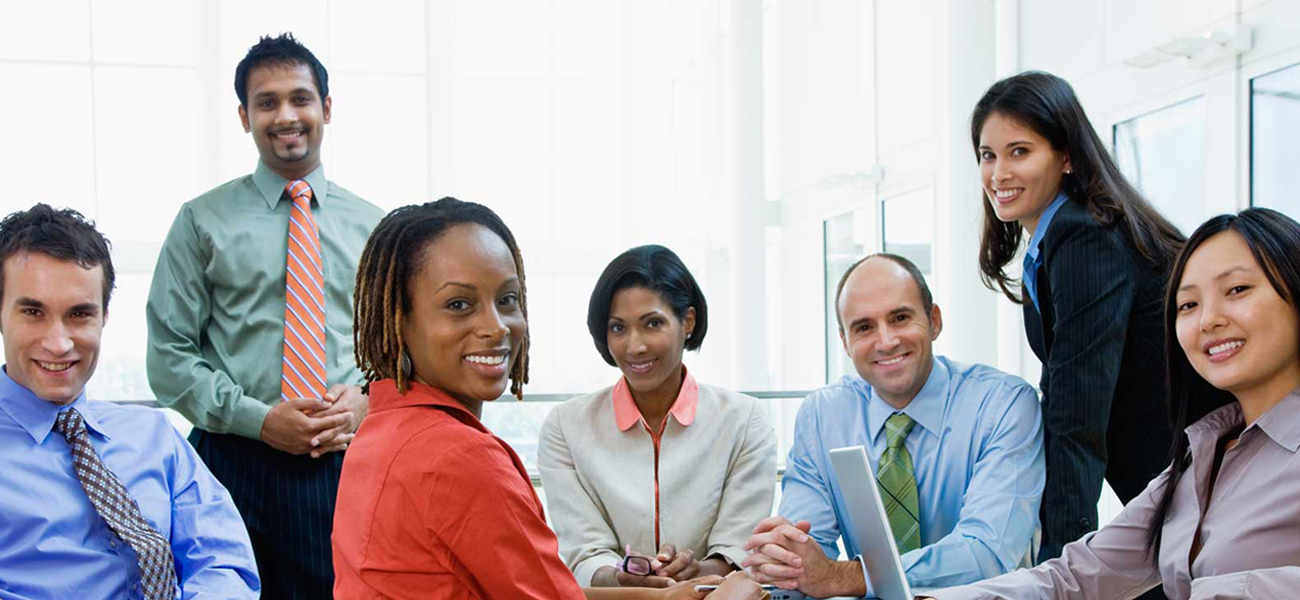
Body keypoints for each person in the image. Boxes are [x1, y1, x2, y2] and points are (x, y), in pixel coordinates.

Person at [331, 198, 763, 600]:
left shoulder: (378, 433)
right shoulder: (460, 456)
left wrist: (665, 596)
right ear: (398, 319)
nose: (496, 327)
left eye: (508, 299)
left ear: (688, 323)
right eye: (459, 304)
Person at [923, 208, 1300, 600]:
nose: (1208, 320)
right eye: (1188, 305)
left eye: (1237, 290)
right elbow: (1077, 576)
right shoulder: (1201, 458)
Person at [145, 33, 384, 599]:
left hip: (347, 459)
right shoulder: (201, 221)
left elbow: (402, 352)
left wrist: (366, 399)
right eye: (267, 102)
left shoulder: (376, 227)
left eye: (300, 98)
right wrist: (261, 420)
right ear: (244, 116)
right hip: (233, 460)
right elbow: (169, 358)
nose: (286, 116)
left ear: (326, 108)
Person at [973, 71, 1185, 564]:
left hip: (1194, 490)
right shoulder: (1060, 239)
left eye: (1020, 152)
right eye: (988, 155)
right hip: (1171, 491)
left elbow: (1076, 412)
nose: (999, 173)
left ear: (1066, 156)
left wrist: (1059, 567)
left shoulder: (1084, 236)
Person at [742, 253, 1045, 597]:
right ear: (845, 342)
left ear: (934, 321)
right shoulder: (823, 416)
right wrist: (782, 558)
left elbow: (987, 554)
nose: (886, 342)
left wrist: (844, 576)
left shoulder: (1003, 405)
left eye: (900, 318)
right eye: (864, 327)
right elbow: (806, 554)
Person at [0, 204, 259, 599]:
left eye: (79, 314)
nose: (59, 342)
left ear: (104, 316)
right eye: (33, 312)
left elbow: (223, 561)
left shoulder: (155, 436)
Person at [539, 245, 777, 587]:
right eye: (618, 328)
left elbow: (736, 551)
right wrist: (623, 579)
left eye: (653, 323)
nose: (634, 346)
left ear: (688, 322)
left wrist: (693, 572)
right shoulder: (565, 427)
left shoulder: (745, 421)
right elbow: (584, 554)